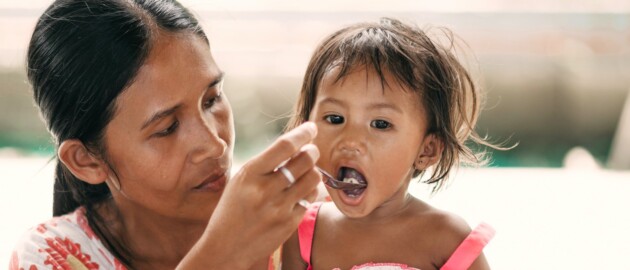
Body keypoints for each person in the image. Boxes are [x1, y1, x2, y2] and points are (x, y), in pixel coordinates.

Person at [9, 0, 322, 269]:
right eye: (167, 128)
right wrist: (221, 256)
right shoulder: (53, 255)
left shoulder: (299, 225)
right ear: (87, 160)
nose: (214, 145)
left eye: (212, 99)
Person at [282, 18, 501, 269]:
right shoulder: (303, 233)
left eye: (380, 124)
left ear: (426, 150)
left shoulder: (446, 239)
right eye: (335, 118)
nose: (351, 141)